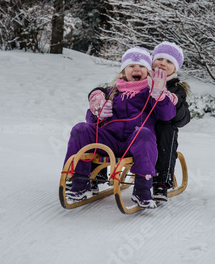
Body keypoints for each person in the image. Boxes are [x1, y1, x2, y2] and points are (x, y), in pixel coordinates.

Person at [63, 47, 176, 209]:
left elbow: (167, 115)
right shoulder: (111, 92)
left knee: (144, 133)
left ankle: (142, 189)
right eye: (131, 66)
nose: (137, 69)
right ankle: (79, 181)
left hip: (134, 143)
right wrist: (98, 112)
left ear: (148, 71)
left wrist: (158, 94)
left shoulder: (150, 92)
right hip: (109, 141)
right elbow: (92, 120)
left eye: (142, 66)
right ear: (123, 71)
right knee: (80, 129)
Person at [151, 41, 191, 202]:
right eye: (159, 58)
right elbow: (114, 88)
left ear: (175, 68)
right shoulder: (138, 77)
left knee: (166, 128)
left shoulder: (177, 89)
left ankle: (161, 180)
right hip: (138, 129)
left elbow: (183, 117)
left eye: (169, 61)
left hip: (162, 133)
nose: (163, 63)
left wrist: (172, 101)